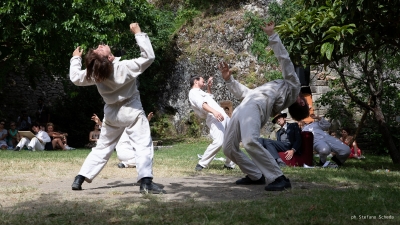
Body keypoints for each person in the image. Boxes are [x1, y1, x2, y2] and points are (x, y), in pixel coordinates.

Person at [69, 22, 164, 194]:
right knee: (142, 145)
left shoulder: (95, 74)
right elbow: (148, 57)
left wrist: (76, 58)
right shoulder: (123, 67)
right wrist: (138, 33)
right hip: (132, 110)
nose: (99, 45)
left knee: (103, 147)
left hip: (112, 114)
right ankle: (146, 182)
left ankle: (80, 178)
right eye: (99, 50)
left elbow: (75, 77)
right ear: (109, 58)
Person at [217, 21, 309, 191]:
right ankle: (255, 175)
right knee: (228, 148)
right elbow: (246, 94)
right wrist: (229, 79)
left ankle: (279, 177)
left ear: (301, 101)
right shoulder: (273, 94)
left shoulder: (293, 86)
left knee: (250, 141)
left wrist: (272, 36)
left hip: (253, 107)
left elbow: (285, 61)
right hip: (245, 105)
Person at [189, 75, 235, 171]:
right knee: (218, 142)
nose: (204, 82)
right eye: (203, 81)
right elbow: (202, 104)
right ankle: (201, 164)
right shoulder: (193, 93)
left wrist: (209, 87)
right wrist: (214, 112)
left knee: (232, 139)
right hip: (214, 116)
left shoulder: (200, 92)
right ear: (196, 82)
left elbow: (209, 98)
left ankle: (229, 164)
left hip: (222, 115)